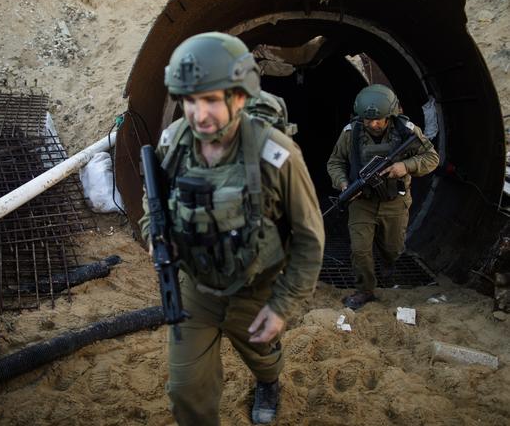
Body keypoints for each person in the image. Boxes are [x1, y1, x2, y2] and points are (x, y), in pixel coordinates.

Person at [139, 32, 325, 425]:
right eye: (190, 100)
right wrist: (156, 237)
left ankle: (269, 381)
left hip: (255, 289)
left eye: (210, 100)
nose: (198, 114)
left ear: (239, 97)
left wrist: (281, 307)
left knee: (262, 355)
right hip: (195, 290)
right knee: (186, 391)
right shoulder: (173, 143)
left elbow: (310, 239)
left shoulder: (275, 154)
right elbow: (151, 205)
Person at [326, 84, 439, 310]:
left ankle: (388, 269)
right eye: (368, 120)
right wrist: (343, 183)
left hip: (394, 202)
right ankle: (364, 290)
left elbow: (432, 158)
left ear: (389, 115)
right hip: (362, 202)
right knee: (360, 249)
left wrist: (405, 166)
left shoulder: (407, 130)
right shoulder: (351, 133)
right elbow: (335, 162)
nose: (373, 124)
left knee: (393, 248)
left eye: (379, 119)